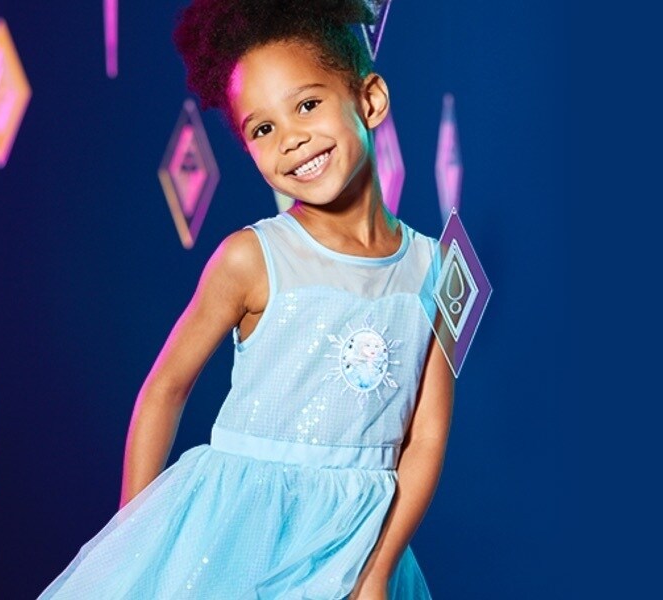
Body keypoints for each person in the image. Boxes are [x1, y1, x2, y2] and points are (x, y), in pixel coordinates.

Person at [38, 0, 454, 598]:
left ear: (369, 99)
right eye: (263, 129)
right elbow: (165, 389)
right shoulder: (251, 257)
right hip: (238, 539)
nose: (292, 140)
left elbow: (426, 438)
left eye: (307, 105)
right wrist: (133, 546)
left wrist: (377, 571)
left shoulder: (437, 270)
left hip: (362, 543)